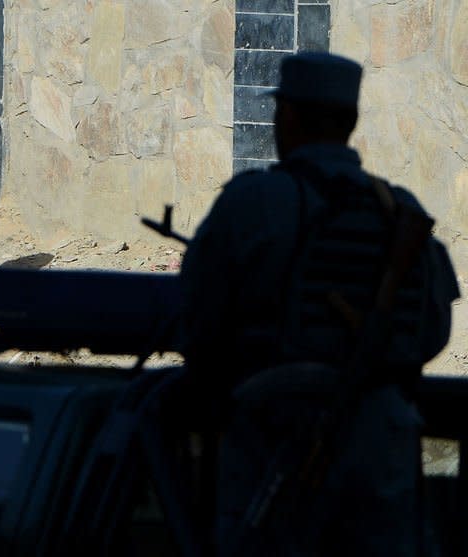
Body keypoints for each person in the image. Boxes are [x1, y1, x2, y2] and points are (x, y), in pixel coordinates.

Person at [179, 52, 460, 556]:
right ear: (350, 122)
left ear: (286, 117)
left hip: (274, 436)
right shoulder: (401, 213)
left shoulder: (253, 203)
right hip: (383, 441)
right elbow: (433, 329)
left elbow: (197, 323)